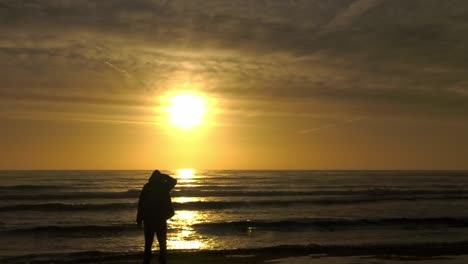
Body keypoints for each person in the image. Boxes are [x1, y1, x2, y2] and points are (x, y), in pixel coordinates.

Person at [137, 170, 177, 264]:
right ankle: (162, 262)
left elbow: (141, 203)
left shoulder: (147, 187)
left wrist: (139, 219)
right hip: (160, 219)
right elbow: (174, 181)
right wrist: (164, 176)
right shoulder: (163, 186)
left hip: (148, 220)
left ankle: (146, 262)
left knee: (148, 244)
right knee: (162, 244)